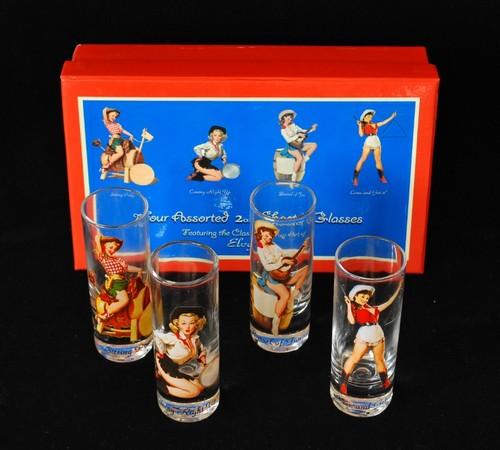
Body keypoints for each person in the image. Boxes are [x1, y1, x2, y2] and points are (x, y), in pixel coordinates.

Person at [339, 282, 403, 395]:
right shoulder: (356, 309)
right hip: (365, 333)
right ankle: (343, 382)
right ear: (355, 297)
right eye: (362, 296)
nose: (365, 299)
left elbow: (389, 302)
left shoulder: (374, 308)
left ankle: (385, 381)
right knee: (355, 358)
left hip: (377, 332)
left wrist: (398, 288)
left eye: (367, 297)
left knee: (380, 359)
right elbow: (352, 321)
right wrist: (348, 305)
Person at [254, 220, 309, 335]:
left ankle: (294, 295)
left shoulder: (273, 245)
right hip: (271, 278)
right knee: (285, 295)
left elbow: (283, 252)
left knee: (305, 269)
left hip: (283, 275)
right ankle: (276, 322)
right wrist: (282, 262)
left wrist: (301, 249)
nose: (270, 237)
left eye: (271, 236)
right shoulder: (260, 248)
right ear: (261, 231)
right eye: (267, 235)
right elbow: (267, 267)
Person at [154, 307, 209, 399]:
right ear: (177, 324)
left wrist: (203, 359)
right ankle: (163, 386)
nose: (187, 327)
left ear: (197, 324)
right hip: (166, 364)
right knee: (194, 392)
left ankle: (171, 382)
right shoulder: (173, 338)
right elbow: (157, 335)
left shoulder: (194, 339)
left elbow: (201, 349)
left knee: (201, 387)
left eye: (191, 323)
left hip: (178, 368)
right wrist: (161, 351)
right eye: (183, 323)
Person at [93, 234, 143, 334]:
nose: (112, 250)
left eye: (115, 249)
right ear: (104, 247)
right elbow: (98, 243)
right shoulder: (104, 258)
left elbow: (127, 268)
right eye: (110, 247)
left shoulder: (117, 260)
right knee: (125, 300)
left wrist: (140, 269)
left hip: (123, 281)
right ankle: (106, 314)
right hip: (115, 283)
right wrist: (98, 240)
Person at [352, 109, 396, 186]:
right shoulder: (362, 125)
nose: (369, 118)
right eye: (368, 116)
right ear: (364, 118)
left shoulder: (375, 124)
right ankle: (355, 178)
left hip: (376, 142)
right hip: (368, 142)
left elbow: (384, 122)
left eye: (370, 116)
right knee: (363, 159)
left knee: (378, 160)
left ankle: (382, 177)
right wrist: (359, 125)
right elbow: (361, 135)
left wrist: (392, 117)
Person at [278, 109, 318, 181]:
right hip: (292, 147)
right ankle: (293, 175)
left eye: (291, 117)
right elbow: (288, 140)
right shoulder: (283, 130)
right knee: (299, 158)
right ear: (284, 118)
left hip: (299, 144)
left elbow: (303, 131)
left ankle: (304, 160)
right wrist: (298, 135)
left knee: (314, 145)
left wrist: (312, 129)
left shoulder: (294, 126)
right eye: (289, 118)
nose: (290, 119)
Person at [101, 107, 135, 173]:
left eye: (115, 116)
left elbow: (123, 130)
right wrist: (107, 109)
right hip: (115, 140)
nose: (114, 117)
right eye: (112, 115)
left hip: (120, 139)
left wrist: (131, 135)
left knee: (129, 149)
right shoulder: (107, 122)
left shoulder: (117, 124)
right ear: (108, 115)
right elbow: (104, 112)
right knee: (120, 153)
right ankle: (108, 164)